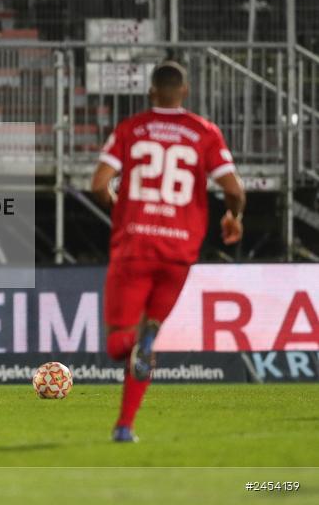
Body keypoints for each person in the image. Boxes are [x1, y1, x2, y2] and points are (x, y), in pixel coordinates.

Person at [90, 61, 245, 442]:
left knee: (119, 343)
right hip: (179, 252)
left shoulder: (131, 129)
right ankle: (124, 426)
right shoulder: (204, 132)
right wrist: (233, 217)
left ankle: (136, 354)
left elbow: (98, 184)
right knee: (147, 338)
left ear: (151, 92)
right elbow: (234, 189)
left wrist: (119, 206)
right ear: (185, 91)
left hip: (135, 246)